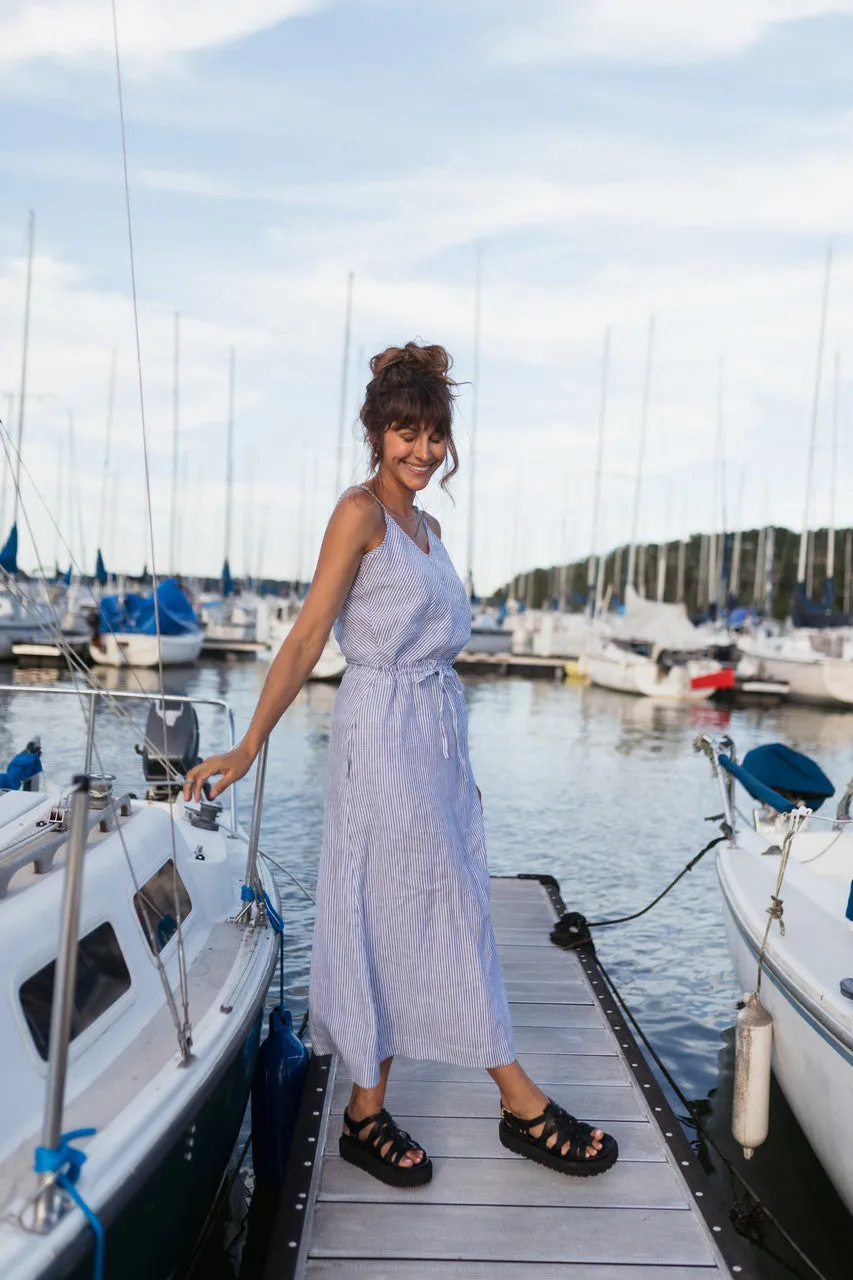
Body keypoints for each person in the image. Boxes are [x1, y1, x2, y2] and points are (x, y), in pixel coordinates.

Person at [184, 342, 618, 1187]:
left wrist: (457, 765)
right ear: (376, 434)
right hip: (380, 732)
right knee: (427, 906)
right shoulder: (360, 514)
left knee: (411, 904)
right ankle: (518, 1103)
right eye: (404, 433)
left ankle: (362, 1112)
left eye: (433, 436)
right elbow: (310, 635)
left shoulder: (431, 527)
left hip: (435, 735)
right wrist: (248, 743)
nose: (421, 451)